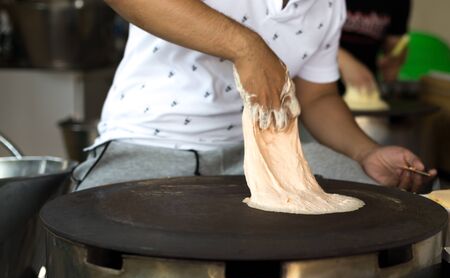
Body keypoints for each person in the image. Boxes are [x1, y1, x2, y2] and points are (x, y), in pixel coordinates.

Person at [72, 0, 434, 194]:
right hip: (146, 144)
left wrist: (367, 151)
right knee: (96, 238)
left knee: (376, 203)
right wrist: (246, 47)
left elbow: (318, 97)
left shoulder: (328, 6)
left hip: (257, 153)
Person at [338, 0, 411, 93]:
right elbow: (314, 39)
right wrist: (343, 61)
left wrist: (395, 58)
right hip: (321, 86)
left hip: (366, 87)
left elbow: (395, 43)